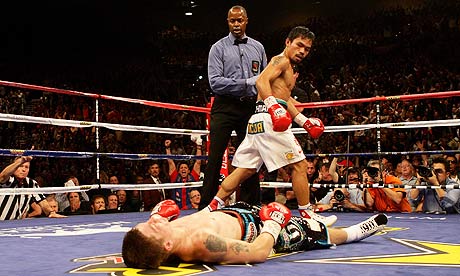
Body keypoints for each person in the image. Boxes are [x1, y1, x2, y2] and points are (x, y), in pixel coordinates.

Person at [206, 26, 336, 226]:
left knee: (245, 170)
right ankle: (308, 215)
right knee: (300, 165)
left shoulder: (290, 69)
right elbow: (261, 82)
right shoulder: (280, 60)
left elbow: (285, 100)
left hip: (257, 121)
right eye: (299, 45)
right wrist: (273, 107)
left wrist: (304, 121)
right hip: (268, 119)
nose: (302, 51)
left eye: (307, 49)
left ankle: (212, 206)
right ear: (288, 42)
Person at [122, 200, 388, 269]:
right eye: (152, 225)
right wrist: (273, 224)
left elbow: (146, 242)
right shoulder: (200, 244)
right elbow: (258, 253)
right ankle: (353, 232)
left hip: (236, 212)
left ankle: (311, 221)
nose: (154, 219)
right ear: (167, 244)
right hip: (256, 230)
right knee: (313, 234)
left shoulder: (163, 236)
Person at [200, 5, 268, 209]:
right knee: (214, 157)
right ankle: (205, 208)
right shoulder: (218, 48)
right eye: (232, 21)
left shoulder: (258, 47)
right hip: (224, 106)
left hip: (249, 107)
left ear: (246, 21)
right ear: (227, 22)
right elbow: (215, 82)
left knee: (250, 157)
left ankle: (250, 207)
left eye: (240, 20)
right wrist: (247, 82)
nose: (236, 24)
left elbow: (264, 79)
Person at [0, 155, 65, 220]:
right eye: (20, 166)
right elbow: (2, 176)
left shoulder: (31, 183)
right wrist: (19, 162)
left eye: (26, 167)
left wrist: (51, 212)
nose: (23, 169)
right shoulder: (8, 180)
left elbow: (41, 200)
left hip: (16, 224)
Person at [165, 136, 202, 210]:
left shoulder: (193, 177)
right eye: (181, 168)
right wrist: (168, 148)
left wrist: (198, 148)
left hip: (192, 210)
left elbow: (198, 162)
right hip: (177, 210)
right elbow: (170, 163)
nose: (183, 169)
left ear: (188, 170)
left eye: (185, 168)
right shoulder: (175, 177)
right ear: (178, 171)